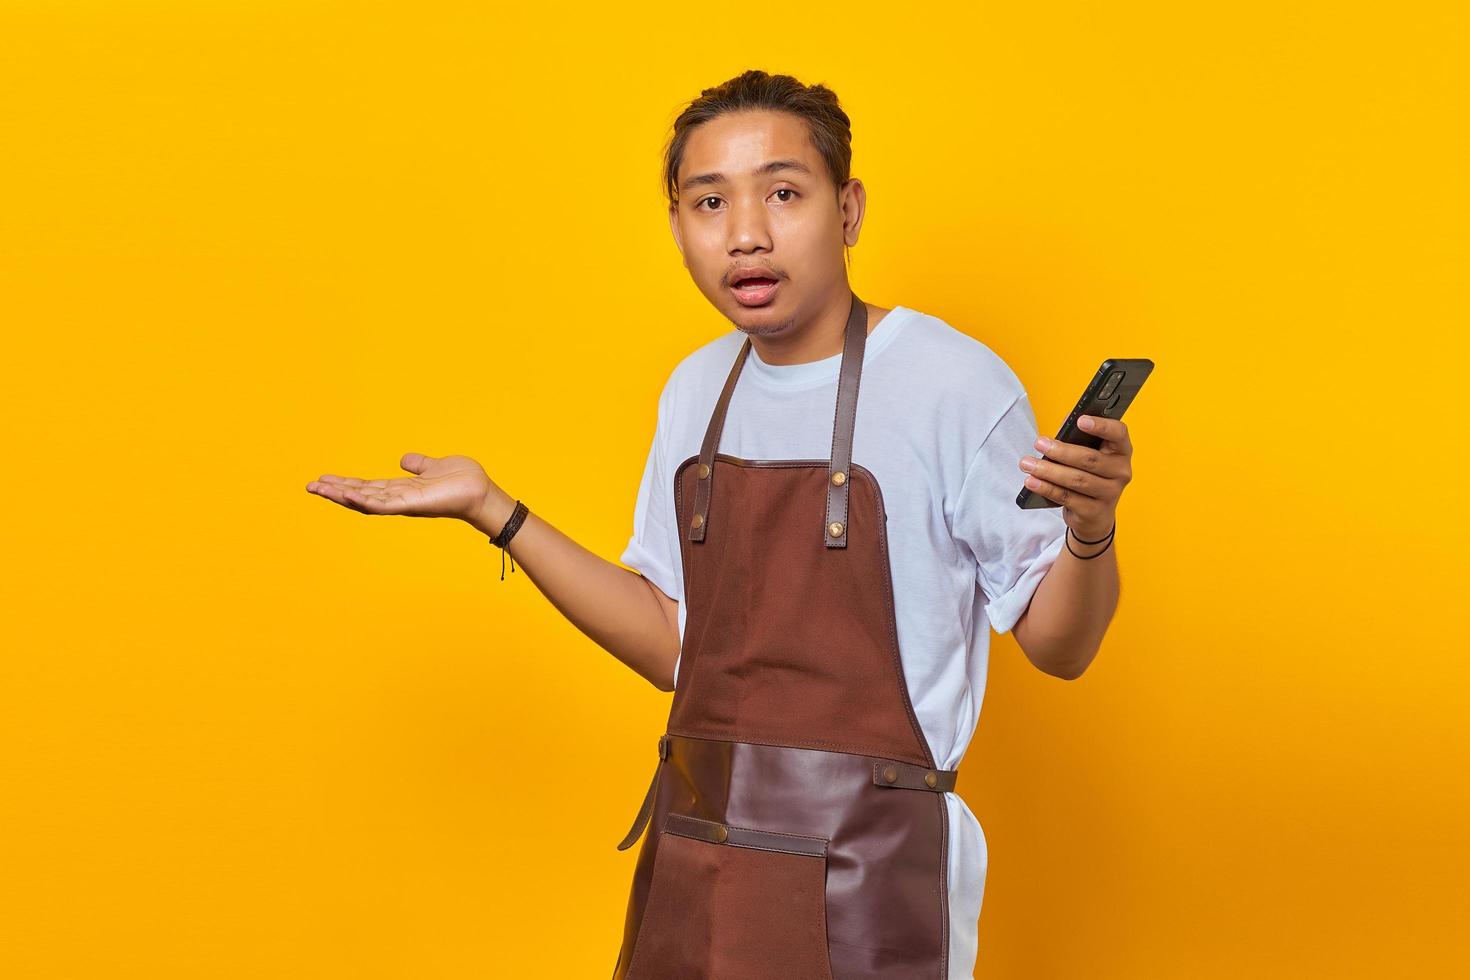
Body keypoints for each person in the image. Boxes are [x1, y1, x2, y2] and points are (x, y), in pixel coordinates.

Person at [306, 68, 1131, 980]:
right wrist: (496, 512)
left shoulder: (953, 383)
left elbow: (1061, 646)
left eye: (784, 193)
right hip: (696, 855)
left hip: (868, 873)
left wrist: (1089, 530)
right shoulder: (697, 390)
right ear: (677, 226)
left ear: (847, 209)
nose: (746, 234)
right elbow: (676, 647)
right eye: (710, 202)